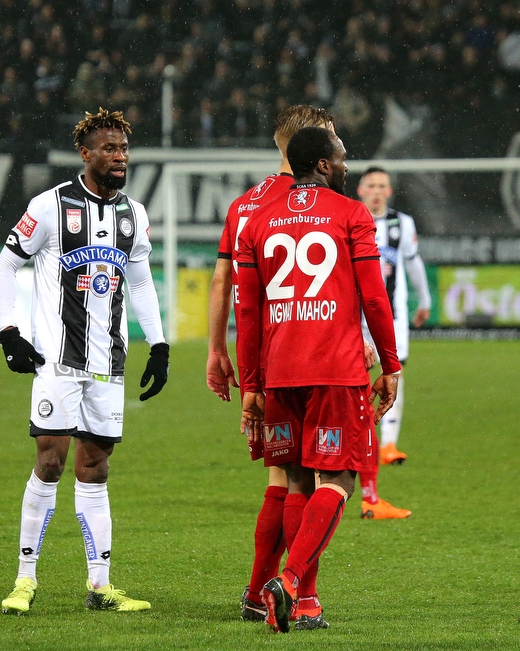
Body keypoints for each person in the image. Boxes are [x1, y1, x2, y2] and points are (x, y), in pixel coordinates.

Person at [0, 108, 169, 615]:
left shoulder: (133, 214)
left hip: (107, 364)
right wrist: (10, 332)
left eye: (124, 149)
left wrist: (158, 346)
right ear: (85, 153)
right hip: (57, 362)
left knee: (96, 467)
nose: (120, 157)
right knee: (50, 461)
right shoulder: (49, 207)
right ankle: (25, 579)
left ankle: (100, 585)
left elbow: (138, 282)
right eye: (110, 149)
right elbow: (6, 266)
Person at [236, 126, 401, 633]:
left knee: (298, 482)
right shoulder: (352, 215)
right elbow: (374, 297)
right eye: (343, 157)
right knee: (340, 478)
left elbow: (249, 312)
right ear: (324, 165)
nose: (348, 165)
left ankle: (306, 602)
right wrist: (391, 364)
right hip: (335, 370)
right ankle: (288, 583)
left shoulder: (257, 221)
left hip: (282, 371)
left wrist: (252, 385)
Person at [207, 105, 335, 626]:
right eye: (330, 138)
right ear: (309, 144)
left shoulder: (247, 205)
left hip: (262, 353)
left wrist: (218, 350)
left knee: (282, 476)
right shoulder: (319, 201)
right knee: (315, 476)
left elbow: (225, 283)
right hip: (312, 351)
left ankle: (258, 590)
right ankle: (300, 596)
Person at [355, 166, 432, 519]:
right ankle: (359, 444)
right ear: (360, 188)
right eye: (371, 184)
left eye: (382, 185)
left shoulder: (403, 224)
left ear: (389, 191)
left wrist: (424, 299)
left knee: (393, 373)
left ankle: (387, 443)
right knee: (355, 379)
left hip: (393, 316)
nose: (376, 190)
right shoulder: (349, 218)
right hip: (354, 318)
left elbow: (413, 264)